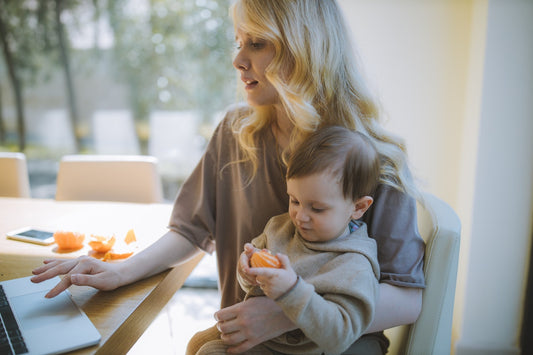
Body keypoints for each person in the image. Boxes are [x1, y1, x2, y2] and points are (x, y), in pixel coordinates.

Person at [31, 1, 425, 354]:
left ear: (304, 49)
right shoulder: (236, 133)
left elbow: (407, 298)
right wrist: (120, 271)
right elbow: (190, 230)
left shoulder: (375, 156)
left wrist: (286, 314)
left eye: (257, 44)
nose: (238, 60)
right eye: (239, 42)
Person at [194, 126, 382, 355]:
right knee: (197, 344)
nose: (300, 217)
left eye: (317, 208)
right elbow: (252, 285)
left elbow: (339, 336)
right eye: (294, 200)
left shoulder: (354, 264)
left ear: (358, 207)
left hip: (296, 350)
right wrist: (247, 272)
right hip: (262, 337)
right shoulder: (280, 227)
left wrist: (292, 291)